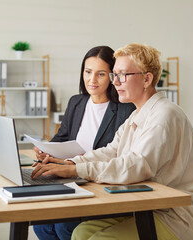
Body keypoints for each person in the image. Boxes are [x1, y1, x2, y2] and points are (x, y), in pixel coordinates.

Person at [32, 43, 193, 240]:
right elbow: (111, 151)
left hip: (178, 217)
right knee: (80, 232)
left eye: (122, 75)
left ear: (146, 79)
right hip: (153, 206)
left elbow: (137, 166)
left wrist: (76, 171)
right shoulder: (138, 114)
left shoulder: (164, 115)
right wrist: (70, 163)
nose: (115, 82)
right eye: (114, 75)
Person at [32, 45, 135, 240]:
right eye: (88, 72)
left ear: (112, 77)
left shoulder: (124, 109)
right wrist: (47, 151)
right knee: (42, 224)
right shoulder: (76, 102)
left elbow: (119, 154)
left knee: (64, 226)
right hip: (69, 177)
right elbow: (62, 137)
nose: (92, 80)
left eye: (101, 74)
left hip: (95, 181)